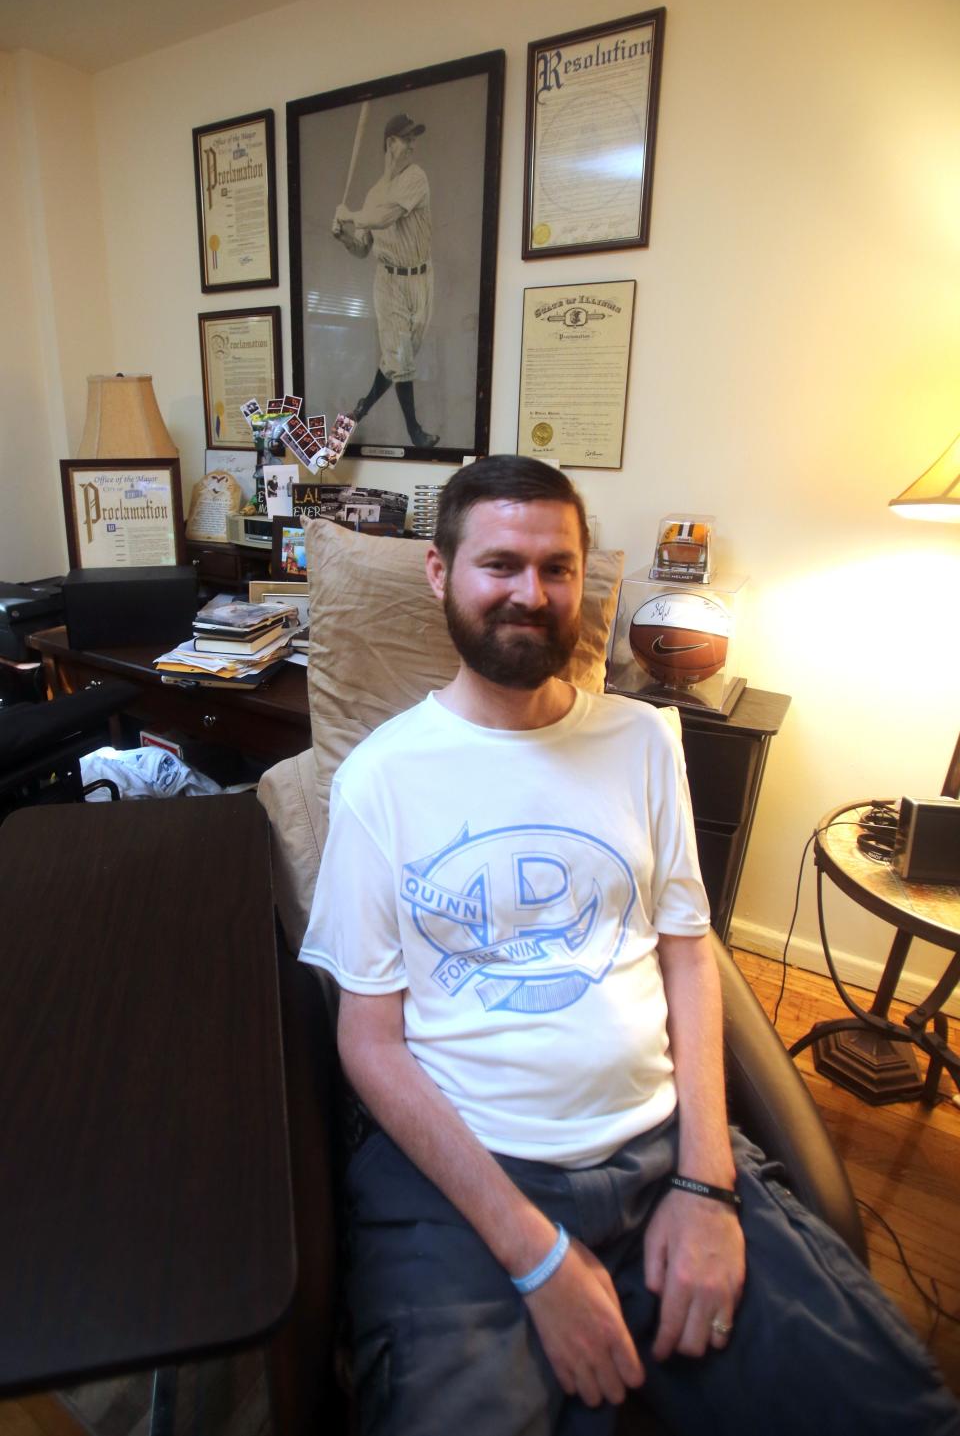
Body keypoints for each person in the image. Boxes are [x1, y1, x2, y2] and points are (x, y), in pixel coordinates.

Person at [300, 456, 959, 1436]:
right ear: (441, 575)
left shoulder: (647, 741)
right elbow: (370, 1041)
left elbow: (692, 954)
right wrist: (532, 1253)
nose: (531, 592)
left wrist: (705, 1181)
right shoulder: (380, 781)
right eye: (500, 564)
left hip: (658, 1154)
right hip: (468, 1178)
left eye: (556, 567)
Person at [332, 112, 438, 450]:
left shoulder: (416, 178)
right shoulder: (373, 192)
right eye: (406, 139)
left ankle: (359, 408)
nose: (412, 145)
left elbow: (384, 217)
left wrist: (348, 214)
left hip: (421, 278)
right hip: (389, 281)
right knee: (401, 359)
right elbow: (362, 248)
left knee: (398, 361)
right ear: (390, 144)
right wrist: (344, 236)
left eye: (413, 139)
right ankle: (415, 433)